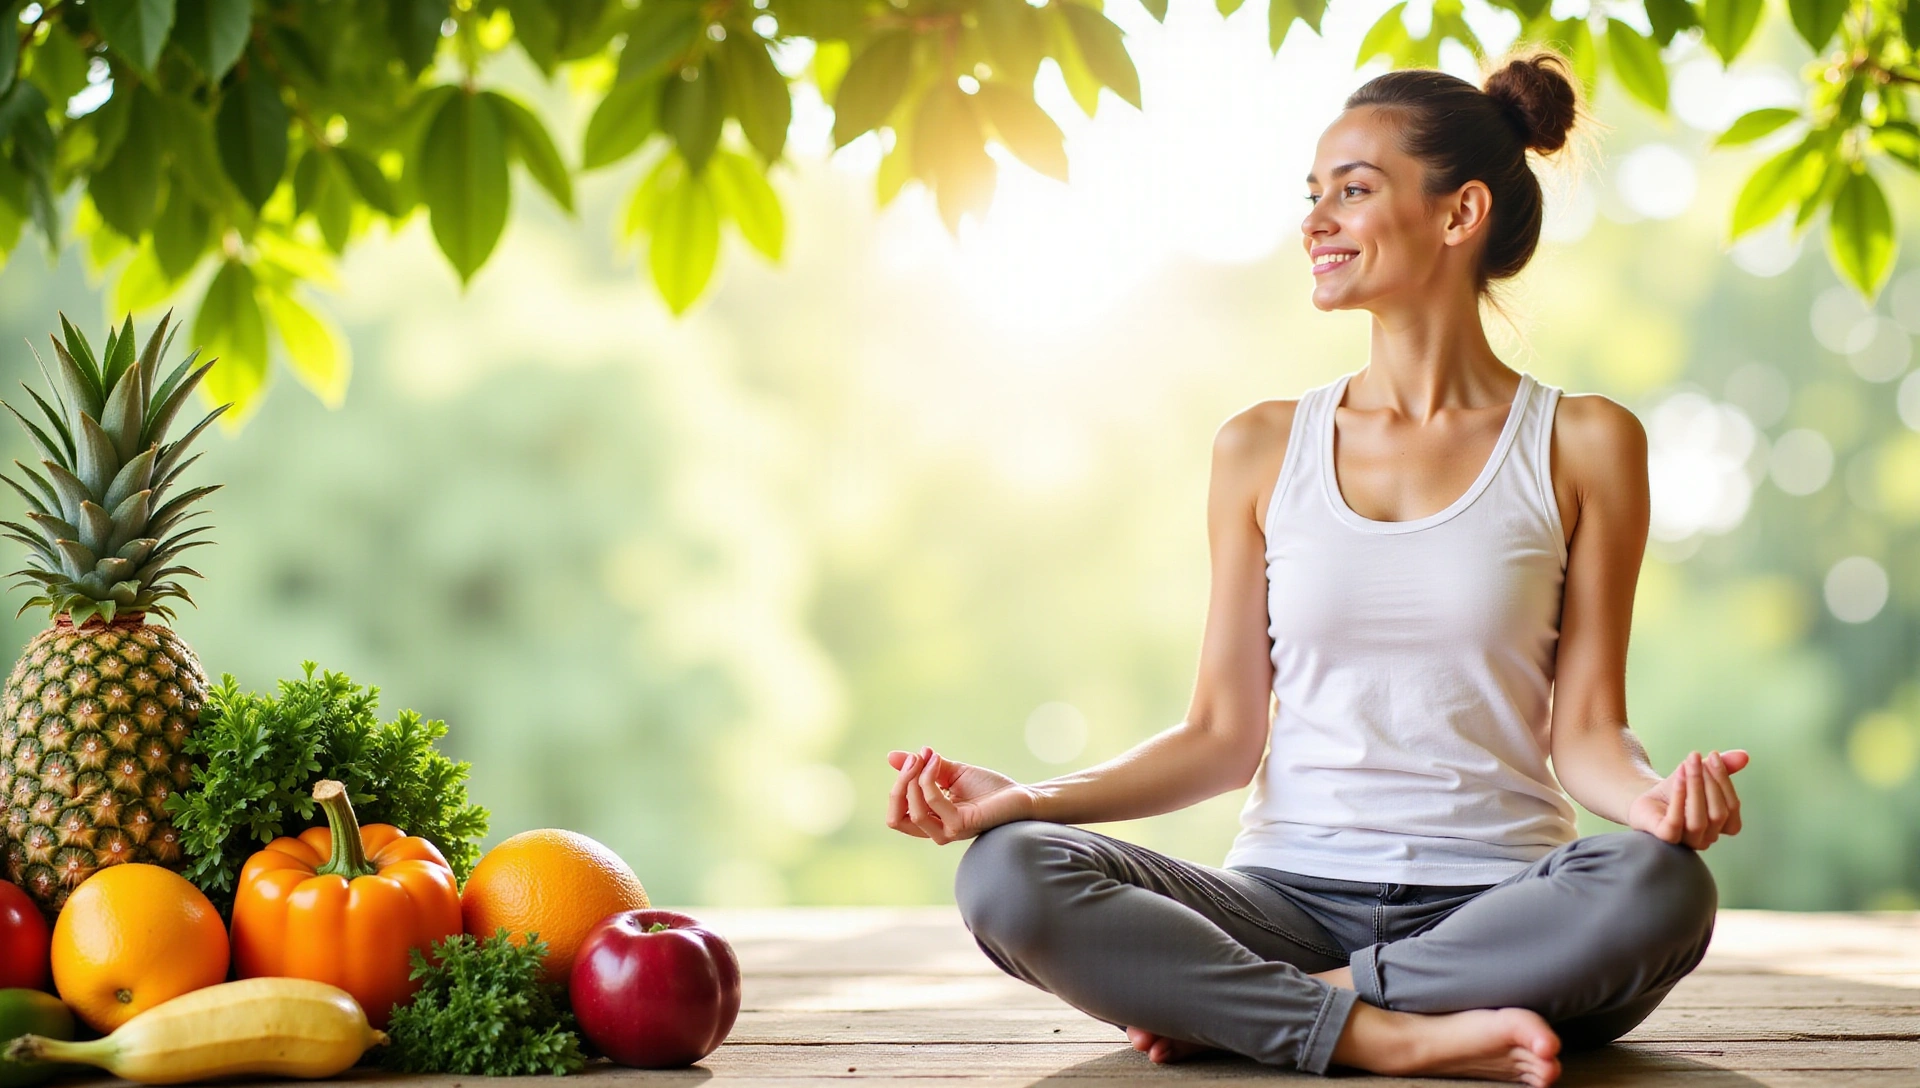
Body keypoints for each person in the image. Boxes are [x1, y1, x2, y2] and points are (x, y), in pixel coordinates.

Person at [880, 47, 1749, 1088]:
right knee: (1010, 873)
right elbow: (1219, 734)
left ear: (1459, 213)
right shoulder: (1258, 448)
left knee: (1662, 887)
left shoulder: (1585, 443)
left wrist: (1655, 801)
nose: (1315, 220)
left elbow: (1589, 733)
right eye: (1313, 194)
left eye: (1353, 190)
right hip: (1279, 904)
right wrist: (1023, 798)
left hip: (1500, 905)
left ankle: (1293, 1008)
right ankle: (1390, 1029)